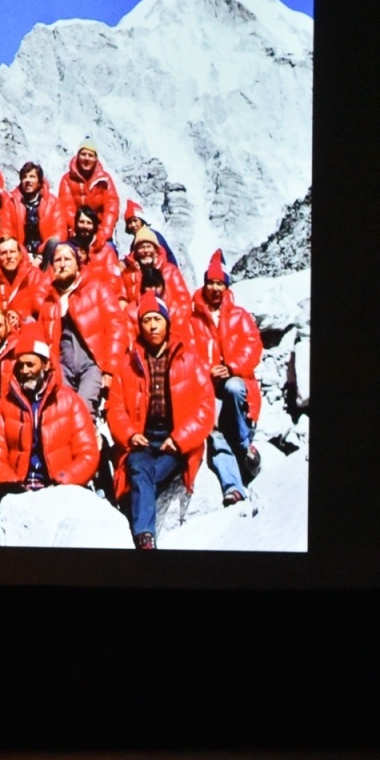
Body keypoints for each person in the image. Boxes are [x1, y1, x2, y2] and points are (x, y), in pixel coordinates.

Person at [104, 293, 216, 549]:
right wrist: (130, 434)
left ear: (167, 322)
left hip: (175, 441)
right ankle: (145, 537)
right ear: (139, 325)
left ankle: (138, 526)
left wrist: (180, 439)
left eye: (157, 319)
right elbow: (115, 407)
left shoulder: (189, 358)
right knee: (139, 466)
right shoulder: (127, 363)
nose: (152, 326)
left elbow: (206, 407)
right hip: (141, 441)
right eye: (146, 320)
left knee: (142, 478)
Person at [190, 250, 264, 504]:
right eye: (210, 282)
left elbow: (253, 347)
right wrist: (207, 370)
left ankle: (244, 445)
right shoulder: (193, 319)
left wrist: (231, 367)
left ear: (226, 286)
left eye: (219, 283)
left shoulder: (239, 316)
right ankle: (233, 488)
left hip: (237, 381)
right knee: (214, 430)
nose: (214, 288)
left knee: (233, 387)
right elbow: (187, 353)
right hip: (208, 387)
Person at [0, 321, 99, 489]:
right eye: (20, 365)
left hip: (59, 489)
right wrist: (13, 485)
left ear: (45, 365)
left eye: (30, 364)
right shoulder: (6, 405)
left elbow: (88, 453)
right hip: (19, 490)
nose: (24, 371)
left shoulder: (70, 402)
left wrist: (63, 481)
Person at [37, 240, 126, 409]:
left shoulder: (97, 289)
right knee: (63, 412)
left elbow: (117, 327)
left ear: (77, 265)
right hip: (62, 367)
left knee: (85, 410)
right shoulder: (48, 302)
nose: (62, 265)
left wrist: (109, 370)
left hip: (93, 364)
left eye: (67, 259)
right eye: (58, 260)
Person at [57, 139, 119, 253]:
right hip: (76, 232)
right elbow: (66, 208)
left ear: (96, 159)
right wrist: (78, 229)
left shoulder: (105, 180)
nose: (86, 158)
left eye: (90, 155)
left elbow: (111, 208)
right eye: (83, 154)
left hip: (99, 231)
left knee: (110, 250)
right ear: (78, 156)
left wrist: (102, 234)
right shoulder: (67, 180)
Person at [120, 226, 191, 312]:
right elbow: (121, 300)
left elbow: (184, 302)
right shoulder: (127, 274)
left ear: (156, 250)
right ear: (135, 252)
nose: (145, 250)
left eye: (149, 246)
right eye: (141, 247)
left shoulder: (170, 271)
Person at [10, 161, 66, 262]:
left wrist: (40, 255)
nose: (28, 180)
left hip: (45, 255)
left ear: (39, 182)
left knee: (55, 242)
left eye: (32, 176)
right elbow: (7, 230)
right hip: (20, 255)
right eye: (24, 177)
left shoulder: (52, 202)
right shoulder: (11, 202)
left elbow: (60, 231)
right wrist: (24, 255)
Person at [0, 236, 46, 331]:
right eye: (3, 253)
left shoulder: (35, 276)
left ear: (20, 255)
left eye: (12, 252)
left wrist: (19, 315)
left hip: (26, 329)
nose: (9, 256)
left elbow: (43, 310)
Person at [67, 206, 120, 284]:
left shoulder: (106, 251)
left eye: (89, 223)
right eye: (81, 222)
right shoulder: (67, 247)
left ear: (94, 226)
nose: (85, 226)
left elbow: (114, 281)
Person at [122, 200, 177, 265]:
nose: (133, 225)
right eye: (129, 222)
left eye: (135, 220)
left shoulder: (152, 235)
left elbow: (167, 255)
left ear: (142, 220)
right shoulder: (135, 241)